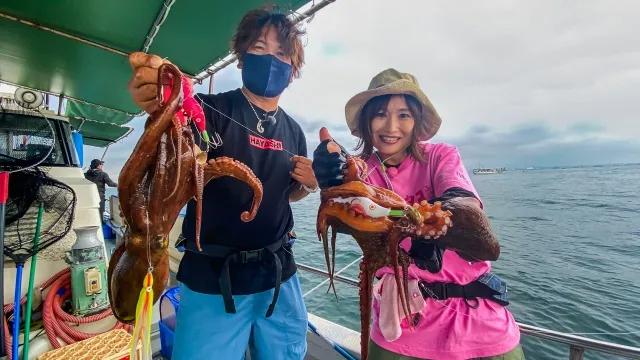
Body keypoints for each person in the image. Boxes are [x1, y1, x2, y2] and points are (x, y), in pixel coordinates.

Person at [127, 8, 317, 360]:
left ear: (293, 69)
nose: (271, 59)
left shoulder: (294, 131)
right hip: (213, 279)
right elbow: (177, 120)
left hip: (279, 277)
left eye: (282, 53)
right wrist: (160, 95)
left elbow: (287, 194)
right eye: (260, 48)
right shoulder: (209, 110)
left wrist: (308, 185)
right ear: (242, 57)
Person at [312, 69, 524, 360]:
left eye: (404, 115)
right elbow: (346, 208)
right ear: (367, 121)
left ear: (416, 122)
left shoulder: (441, 156)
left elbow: (469, 213)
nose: (391, 126)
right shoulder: (363, 171)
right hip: (399, 325)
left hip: (477, 320)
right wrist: (333, 179)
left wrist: (430, 214)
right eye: (380, 114)